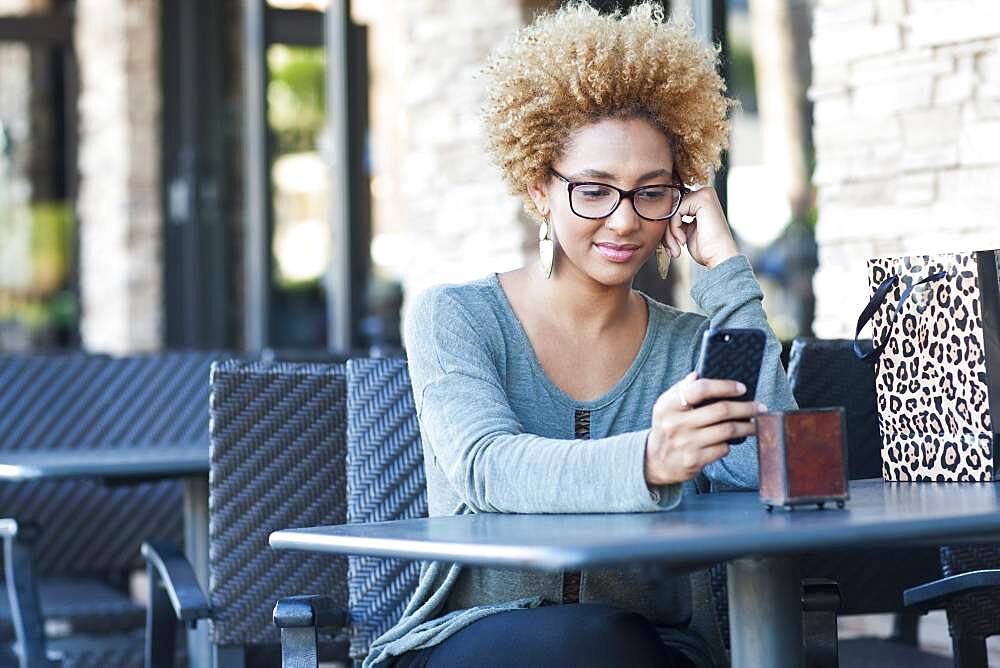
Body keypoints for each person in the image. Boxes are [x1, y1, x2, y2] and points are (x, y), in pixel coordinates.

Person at [369, 3, 795, 666]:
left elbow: (779, 470)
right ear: (539, 187)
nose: (624, 222)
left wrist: (725, 271)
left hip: (649, 644)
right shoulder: (455, 316)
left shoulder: (689, 344)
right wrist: (650, 460)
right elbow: (487, 468)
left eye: (651, 192)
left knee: (609, 644)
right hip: (470, 638)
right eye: (594, 191)